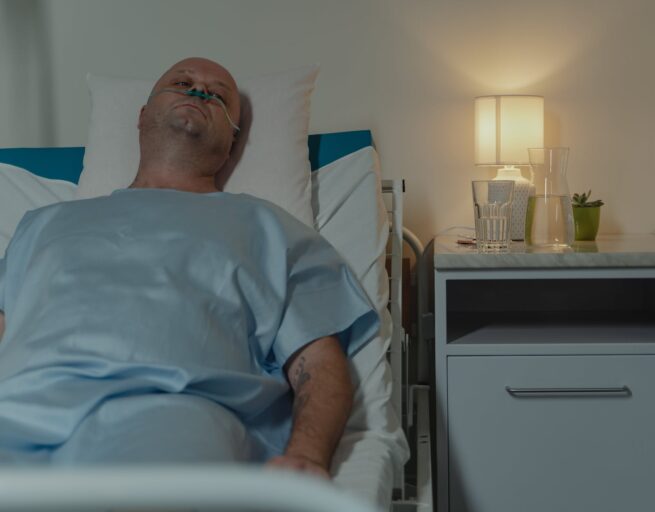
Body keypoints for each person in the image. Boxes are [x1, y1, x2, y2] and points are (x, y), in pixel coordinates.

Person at [0, 58, 378, 480]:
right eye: (183, 82)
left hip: (172, 411)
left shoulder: (270, 228)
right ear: (142, 117)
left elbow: (320, 364)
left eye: (219, 96)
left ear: (232, 142)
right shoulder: (44, 223)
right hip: (21, 412)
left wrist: (306, 457)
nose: (200, 91)